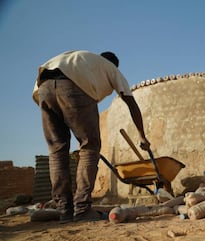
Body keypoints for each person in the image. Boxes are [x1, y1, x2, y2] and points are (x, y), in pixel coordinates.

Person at [32, 50, 151, 223]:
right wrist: (142, 135)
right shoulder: (111, 68)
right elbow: (130, 101)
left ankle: (64, 210)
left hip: (43, 87)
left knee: (57, 151)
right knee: (89, 147)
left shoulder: (82, 59)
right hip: (73, 86)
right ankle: (82, 209)